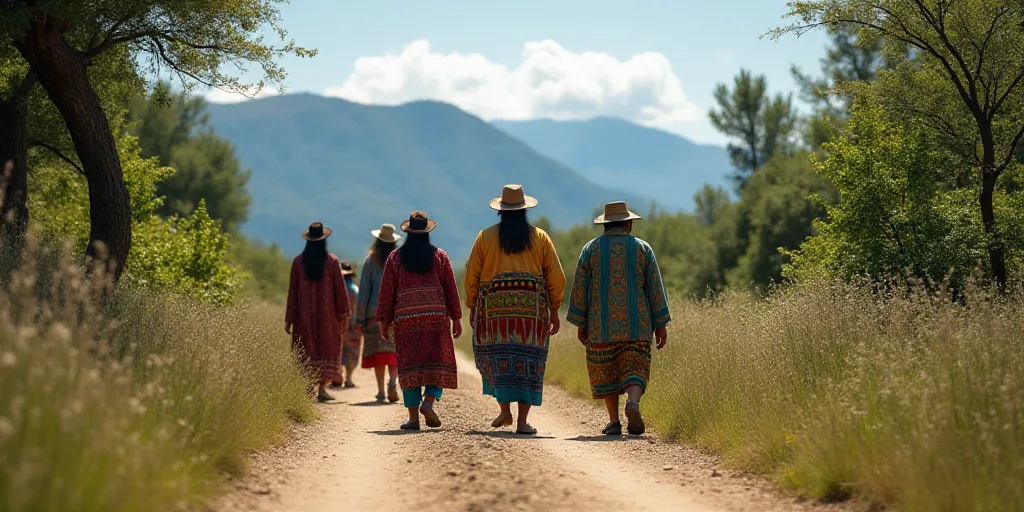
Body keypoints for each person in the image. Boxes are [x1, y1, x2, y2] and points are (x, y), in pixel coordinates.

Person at [464, 184, 566, 435]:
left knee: (497, 359)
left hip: (493, 313)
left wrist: (472, 304)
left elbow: (472, 275)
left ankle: (504, 410)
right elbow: (556, 276)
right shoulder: (540, 238)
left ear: (500, 211)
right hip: (531, 315)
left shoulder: (485, 237)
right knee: (529, 362)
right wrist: (554, 308)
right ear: (524, 211)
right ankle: (521, 421)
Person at [566, 202, 671, 436]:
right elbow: (655, 289)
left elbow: (580, 289)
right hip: (638, 325)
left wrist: (581, 322)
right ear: (628, 223)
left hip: (600, 326)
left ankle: (614, 421)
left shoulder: (590, 250)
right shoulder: (642, 249)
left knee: (607, 371)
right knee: (635, 365)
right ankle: (633, 402)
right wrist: (661, 324)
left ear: (605, 224)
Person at [378, 211, 463, 430]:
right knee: (438, 361)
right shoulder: (440, 256)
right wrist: (457, 317)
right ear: (427, 233)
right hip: (436, 317)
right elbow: (450, 288)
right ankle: (429, 402)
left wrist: (384, 321)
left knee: (409, 365)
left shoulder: (395, 258)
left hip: (406, 320)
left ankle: (414, 419)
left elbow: (387, 291)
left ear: (407, 232)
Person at [285, 222, 351, 403]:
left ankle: (307, 387)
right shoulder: (332, 262)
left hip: (303, 317)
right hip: (327, 317)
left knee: (306, 348)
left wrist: (289, 319)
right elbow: (340, 290)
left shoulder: (298, 262)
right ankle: (322, 389)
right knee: (327, 347)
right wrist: (343, 313)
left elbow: (292, 291)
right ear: (324, 241)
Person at [356, 223, 402, 403]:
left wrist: (360, 318)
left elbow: (364, 292)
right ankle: (393, 381)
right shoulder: (399, 260)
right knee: (393, 352)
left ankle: (381, 391)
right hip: (395, 314)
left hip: (374, 315)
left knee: (378, 355)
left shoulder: (370, 262)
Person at [331, 261, 362, 389]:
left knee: (338, 349)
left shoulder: (334, 289)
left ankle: (338, 375)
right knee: (352, 351)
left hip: (338, 323)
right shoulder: (355, 289)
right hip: (353, 325)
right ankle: (348, 379)